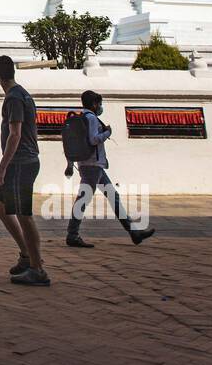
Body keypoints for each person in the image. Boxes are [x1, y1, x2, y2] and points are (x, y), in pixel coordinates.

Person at [66, 90, 155, 247]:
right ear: (94, 104)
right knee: (84, 199)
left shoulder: (81, 118)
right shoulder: (92, 118)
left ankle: (134, 232)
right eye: (99, 103)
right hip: (93, 165)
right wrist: (107, 133)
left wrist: (70, 165)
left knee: (113, 197)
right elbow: (94, 140)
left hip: (90, 165)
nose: (100, 107)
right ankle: (72, 234)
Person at [0, 55, 49, 286]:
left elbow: (15, 134)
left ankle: (37, 269)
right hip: (22, 161)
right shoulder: (21, 93)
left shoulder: (14, 98)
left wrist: (2, 167)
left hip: (20, 163)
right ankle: (26, 255)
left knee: (24, 215)